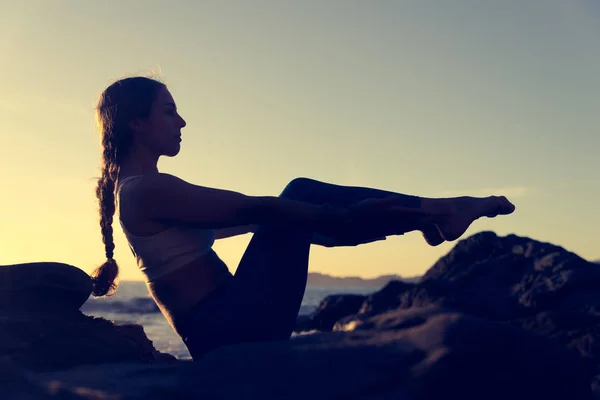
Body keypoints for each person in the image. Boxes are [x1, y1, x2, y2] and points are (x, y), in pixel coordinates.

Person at [91, 76, 515, 360]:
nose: (182, 121)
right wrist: (337, 215)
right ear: (137, 122)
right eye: (169, 111)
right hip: (228, 333)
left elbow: (247, 222)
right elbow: (255, 207)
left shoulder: (142, 192)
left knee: (295, 208)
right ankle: (438, 210)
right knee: (298, 196)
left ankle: (433, 215)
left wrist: (330, 220)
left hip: (225, 328)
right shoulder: (147, 190)